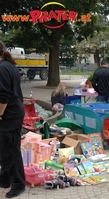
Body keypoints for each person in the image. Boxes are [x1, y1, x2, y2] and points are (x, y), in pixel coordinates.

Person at [0, 41, 26, 198]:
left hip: (9, 115)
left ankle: (18, 183)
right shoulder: (8, 65)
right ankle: (4, 178)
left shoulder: (3, 68)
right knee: (4, 148)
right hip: (12, 113)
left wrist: (0, 114)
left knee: (11, 149)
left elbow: (3, 95)